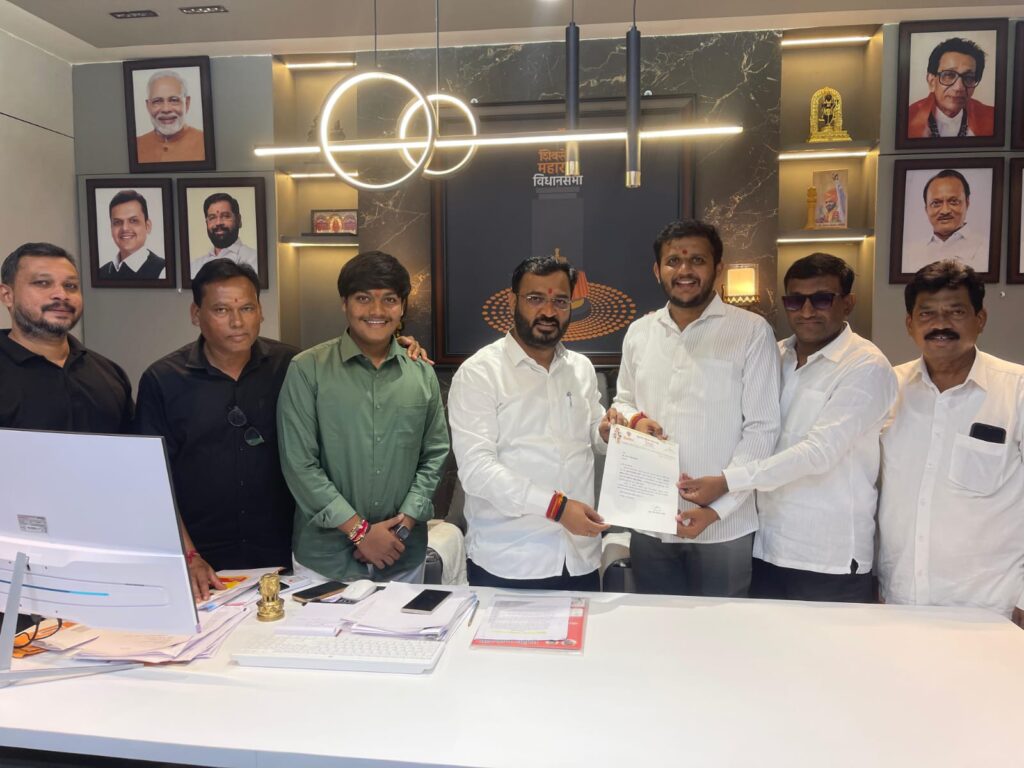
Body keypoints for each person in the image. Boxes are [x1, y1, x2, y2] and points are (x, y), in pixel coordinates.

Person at [678, 254, 896, 602]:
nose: (807, 311)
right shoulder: (775, 355)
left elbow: (818, 453)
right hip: (766, 545)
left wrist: (726, 481)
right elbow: (751, 436)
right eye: (795, 300)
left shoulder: (866, 366)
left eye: (822, 299)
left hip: (828, 557)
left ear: (848, 303)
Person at [609, 219, 780, 598]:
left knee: (723, 629)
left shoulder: (750, 331)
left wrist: (719, 508)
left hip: (725, 527)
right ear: (657, 270)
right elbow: (624, 400)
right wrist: (635, 419)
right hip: (651, 521)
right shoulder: (640, 332)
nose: (684, 270)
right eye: (673, 261)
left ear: (718, 268)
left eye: (697, 260)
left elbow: (763, 428)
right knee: (658, 626)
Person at [278, 251, 449, 583]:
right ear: (344, 303)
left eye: (389, 300)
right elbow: (299, 464)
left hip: (402, 555)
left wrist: (404, 524)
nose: (376, 311)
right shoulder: (307, 369)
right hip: (325, 561)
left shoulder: (421, 373)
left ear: (402, 307)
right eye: (363, 298)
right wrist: (359, 532)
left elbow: (435, 454)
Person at [135, 259, 299, 599]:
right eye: (221, 310)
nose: (237, 322)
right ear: (196, 314)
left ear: (260, 311)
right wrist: (189, 557)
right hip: (204, 563)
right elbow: (152, 479)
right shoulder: (163, 380)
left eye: (247, 308)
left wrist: (402, 347)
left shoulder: (292, 366)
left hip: (287, 555)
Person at [448, 255, 611, 591]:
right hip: (510, 560)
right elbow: (477, 470)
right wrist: (557, 508)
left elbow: (594, 434)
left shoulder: (581, 369)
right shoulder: (480, 373)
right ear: (513, 302)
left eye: (560, 301)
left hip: (579, 557)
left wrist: (609, 433)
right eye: (535, 298)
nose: (548, 312)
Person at [878, 260, 1023, 629]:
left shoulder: (1016, 391)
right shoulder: (886, 389)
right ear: (910, 324)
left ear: (980, 319)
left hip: (991, 608)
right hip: (900, 601)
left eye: (956, 312)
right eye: (926, 313)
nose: (940, 324)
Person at [0, 242, 132, 433]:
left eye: (71, 286)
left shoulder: (109, 374)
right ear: (7, 295)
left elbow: (132, 447)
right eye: (43, 283)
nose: (61, 295)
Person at [907, 37, 994, 139]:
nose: (959, 88)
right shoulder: (907, 118)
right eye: (949, 75)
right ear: (932, 82)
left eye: (968, 77)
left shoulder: (992, 118)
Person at [904, 169, 986, 272]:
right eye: (936, 203)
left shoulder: (984, 247)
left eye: (953, 201)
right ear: (926, 209)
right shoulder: (910, 253)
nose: (945, 211)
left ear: (967, 203)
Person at [136, 70, 206, 164]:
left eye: (174, 100)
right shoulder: (136, 145)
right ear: (148, 106)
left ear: (187, 103)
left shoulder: (205, 142)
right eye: (157, 101)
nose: (166, 109)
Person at [98, 190, 166, 280]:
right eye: (117, 222)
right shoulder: (101, 272)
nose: (125, 228)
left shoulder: (163, 270)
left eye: (133, 221)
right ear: (111, 228)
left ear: (148, 226)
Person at [190, 193, 259, 278]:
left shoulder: (256, 260)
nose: (218, 223)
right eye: (212, 217)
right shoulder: (195, 267)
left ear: (239, 220)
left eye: (225, 216)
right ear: (206, 223)